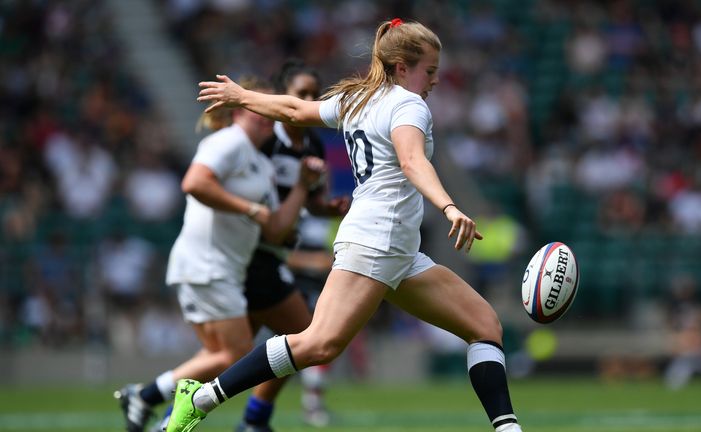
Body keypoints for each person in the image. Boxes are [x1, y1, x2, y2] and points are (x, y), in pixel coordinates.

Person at [168, 19, 523, 432]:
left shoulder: (358, 99)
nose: (436, 79)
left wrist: (240, 95)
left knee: (484, 325)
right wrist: (448, 206)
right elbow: (411, 161)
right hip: (377, 241)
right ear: (401, 67)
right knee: (319, 343)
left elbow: (294, 110)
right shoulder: (408, 105)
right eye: (430, 69)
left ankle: (507, 428)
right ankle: (201, 397)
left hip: (398, 249)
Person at [114, 76, 327, 432]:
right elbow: (194, 183)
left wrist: (304, 188)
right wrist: (248, 208)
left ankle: (152, 402)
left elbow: (275, 229)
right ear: (241, 111)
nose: (263, 117)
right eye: (255, 109)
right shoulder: (229, 142)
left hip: (225, 269)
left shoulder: (259, 163)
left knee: (225, 355)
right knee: (234, 355)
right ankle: (155, 402)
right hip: (206, 264)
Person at [236, 60, 350, 432]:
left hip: (274, 253)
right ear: (284, 96)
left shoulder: (313, 142)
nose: (309, 101)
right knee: (293, 341)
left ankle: (163, 403)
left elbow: (309, 200)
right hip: (252, 253)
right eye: (301, 94)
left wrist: (327, 208)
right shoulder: (266, 141)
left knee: (245, 350)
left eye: (315, 95)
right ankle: (250, 420)